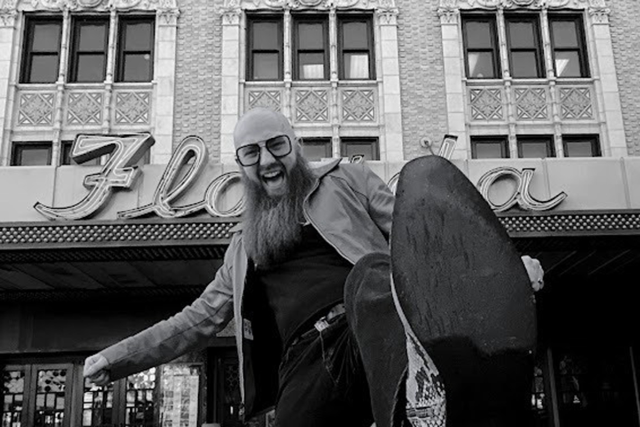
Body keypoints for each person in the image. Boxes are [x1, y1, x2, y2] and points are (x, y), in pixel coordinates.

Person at [84, 108, 544, 427]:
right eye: (251, 153)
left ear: (296, 146)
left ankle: (431, 391)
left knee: (371, 282)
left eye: (276, 145)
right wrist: (117, 358)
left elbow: (420, 238)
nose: (267, 160)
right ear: (240, 164)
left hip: (373, 320)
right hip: (307, 363)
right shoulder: (242, 249)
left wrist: (501, 271)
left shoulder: (348, 180)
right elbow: (194, 321)